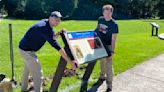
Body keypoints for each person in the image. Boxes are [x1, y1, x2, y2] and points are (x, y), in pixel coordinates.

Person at [18, 11, 77, 92]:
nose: (57, 21)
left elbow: (51, 37)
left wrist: (58, 34)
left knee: (27, 70)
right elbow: (58, 47)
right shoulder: (44, 28)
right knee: (38, 75)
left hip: (23, 49)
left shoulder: (46, 24)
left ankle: (23, 89)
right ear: (50, 18)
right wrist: (70, 62)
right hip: (27, 52)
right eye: (55, 19)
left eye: (59, 20)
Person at [94, 4, 119, 92]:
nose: (107, 15)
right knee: (102, 62)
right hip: (100, 44)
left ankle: (109, 86)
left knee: (108, 65)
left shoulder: (114, 24)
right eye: (105, 12)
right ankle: (101, 77)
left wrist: (112, 51)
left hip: (108, 46)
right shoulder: (100, 19)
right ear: (103, 13)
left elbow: (113, 39)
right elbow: (97, 30)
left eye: (109, 13)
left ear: (111, 13)